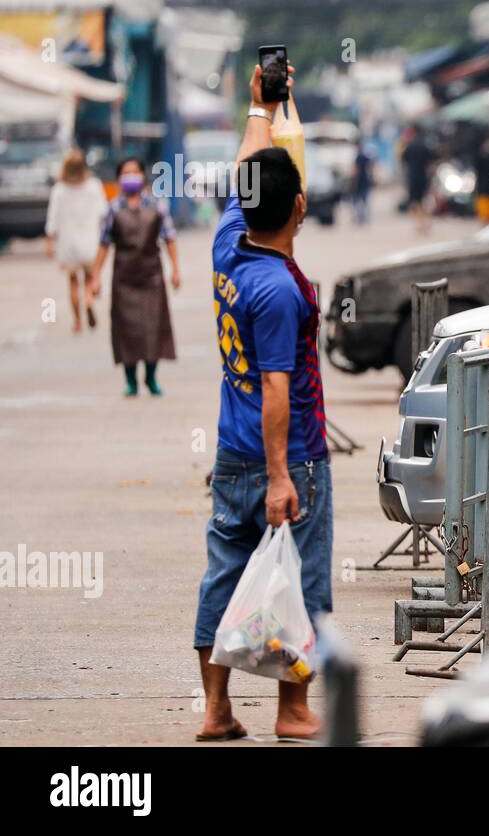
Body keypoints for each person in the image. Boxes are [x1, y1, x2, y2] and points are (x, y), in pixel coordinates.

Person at [193, 61, 331, 742]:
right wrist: (282, 477)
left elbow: (246, 172)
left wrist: (260, 109)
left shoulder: (229, 246)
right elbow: (277, 389)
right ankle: (292, 710)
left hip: (230, 453)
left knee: (223, 578)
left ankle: (216, 711)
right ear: (298, 208)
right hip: (289, 456)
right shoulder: (277, 289)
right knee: (302, 589)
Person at [89, 158, 179, 396]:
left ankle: (151, 376)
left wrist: (176, 270)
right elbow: (104, 244)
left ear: (143, 176)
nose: (131, 177)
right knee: (126, 328)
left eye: (135, 172)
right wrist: (95, 276)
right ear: (119, 178)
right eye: (126, 173)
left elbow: (169, 238)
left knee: (153, 326)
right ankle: (130, 380)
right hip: (124, 277)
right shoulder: (112, 209)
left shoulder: (157, 206)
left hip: (152, 275)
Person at [45, 148, 106, 333]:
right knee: (89, 278)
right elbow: (103, 213)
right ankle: (89, 299)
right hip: (90, 241)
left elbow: (53, 218)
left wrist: (49, 240)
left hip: (68, 244)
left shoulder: (59, 190)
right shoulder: (94, 186)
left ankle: (78, 322)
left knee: (72, 282)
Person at [399, 124, 431, 214]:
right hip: (423, 176)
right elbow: (432, 158)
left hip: (412, 175)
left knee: (414, 200)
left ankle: (418, 221)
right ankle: (424, 220)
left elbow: (403, 159)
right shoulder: (424, 145)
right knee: (423, 199)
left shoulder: (409, 147)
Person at [350, 145, 372, 225]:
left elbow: (356, 169)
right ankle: (365, 218)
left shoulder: (358, 158)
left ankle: (360, 218)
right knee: (365, 201)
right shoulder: (366, 157)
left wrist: (352, 180)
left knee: (357, 201)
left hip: (359, 181)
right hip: (366, 181)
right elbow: (371, 167)